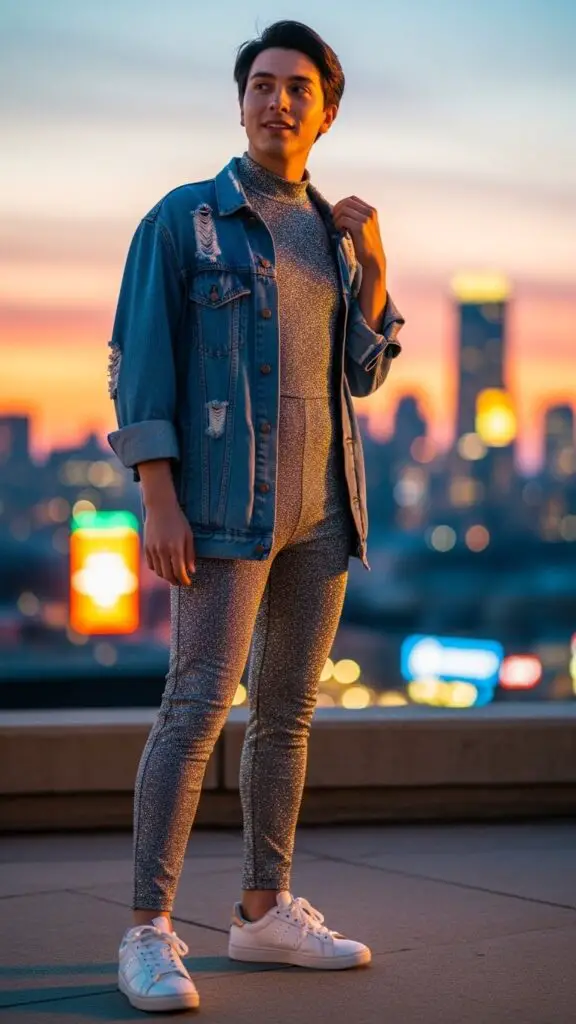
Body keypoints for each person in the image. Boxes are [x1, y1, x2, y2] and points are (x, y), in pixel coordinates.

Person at [107, 19, 405, 1014]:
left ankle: (264, 909)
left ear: (326, 110)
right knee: (195, 710)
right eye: (263, 84)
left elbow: (362, 371)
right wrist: (159, 495)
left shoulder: (330, 229)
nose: (280, 101)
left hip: (323, 512)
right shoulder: (185, 220)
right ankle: (148, 929)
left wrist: (377, 259)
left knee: (286, 717)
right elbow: (140, 362)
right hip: (225, 507)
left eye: (300, 88)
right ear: (240, 101)